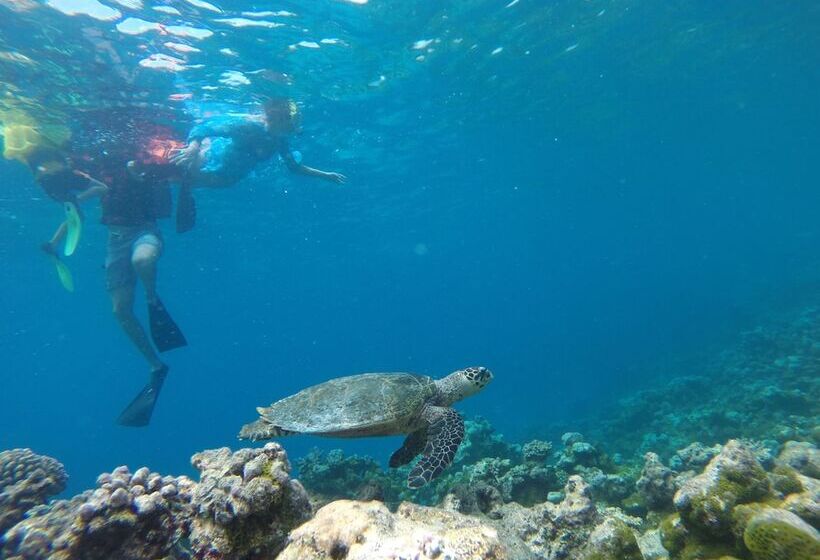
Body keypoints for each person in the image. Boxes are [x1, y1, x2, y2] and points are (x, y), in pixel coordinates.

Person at [170, 98, 346, 231]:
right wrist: (193, 147)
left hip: (227, 180)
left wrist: (326, 175)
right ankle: (169, 180)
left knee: (190, 182)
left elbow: (293, 167)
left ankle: (183, 186)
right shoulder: (247, 126)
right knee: (182, 171)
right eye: (290, 127)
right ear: (275, 119)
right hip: (207, 161)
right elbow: (204, 128)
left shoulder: (280, 140)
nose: (294, 132)